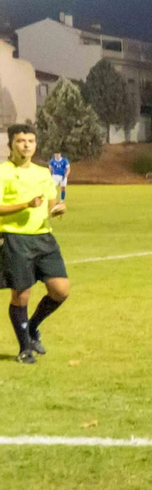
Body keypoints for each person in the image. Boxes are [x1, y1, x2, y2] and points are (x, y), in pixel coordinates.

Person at [0, 125, 69, 364]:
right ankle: (24, 349)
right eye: (21, 141)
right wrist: (25, 205)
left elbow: (52, 202)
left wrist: (58, 208)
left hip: (43, 238)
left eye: (30, 140)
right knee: (21, 296)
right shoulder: (3, 172)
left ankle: (33, 327)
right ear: (11, 145)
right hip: (15, 238)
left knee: (60, 290)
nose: (27, 145)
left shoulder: (42, 173)